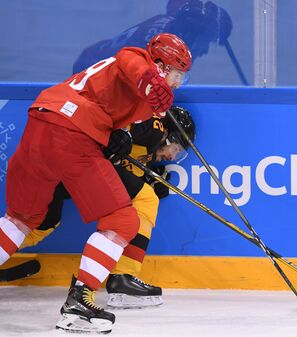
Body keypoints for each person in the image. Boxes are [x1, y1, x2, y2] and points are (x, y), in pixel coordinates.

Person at [0, 33, 192, 334]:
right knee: (124, 221)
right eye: (177, 74)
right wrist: (150, 80)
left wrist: (114, 131)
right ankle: (79, 302)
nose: (178, 83)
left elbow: (109, 101)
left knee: (22, 219)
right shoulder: (137, 60)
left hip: (43, 119)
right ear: (159, 64)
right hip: (70, 132)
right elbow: (131, 64)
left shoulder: (136, 93)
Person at [20, 107, 196, 309]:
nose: (173, 156)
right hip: (76, 162)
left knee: (38, 227)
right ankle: (123, 277)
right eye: (176, 148)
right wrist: (120, 132)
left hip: (56, 165)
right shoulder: (154, 126)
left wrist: (147, 179)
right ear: (167, 134)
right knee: (146, 199)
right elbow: (121, 122)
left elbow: (121, 164)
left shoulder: (146, 152)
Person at [73, 0, 232, 74]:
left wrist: (213, 15)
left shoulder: (172, 24)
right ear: (190, 34)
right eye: (206, 41)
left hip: (92, 58)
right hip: (90, 70)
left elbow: (179, 6)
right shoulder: (157, 54)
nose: (205, 50)